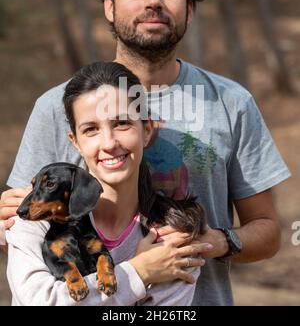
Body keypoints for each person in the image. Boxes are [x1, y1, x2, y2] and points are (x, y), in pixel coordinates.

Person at [0, 0, 291, 306]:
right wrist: (9, 222)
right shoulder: (57, 106)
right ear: (109, 5)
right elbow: (26, 233)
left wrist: (215, 241)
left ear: (189, 8)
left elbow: (267, 232)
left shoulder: (231, 102)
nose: (153, 1)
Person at [5, 61, 207, 306]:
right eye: (91, 129)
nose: (109, 143)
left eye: (122, 123)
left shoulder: (170, 238)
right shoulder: (36, 219)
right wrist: (139, 272)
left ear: (146, 130)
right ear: (75, 141)